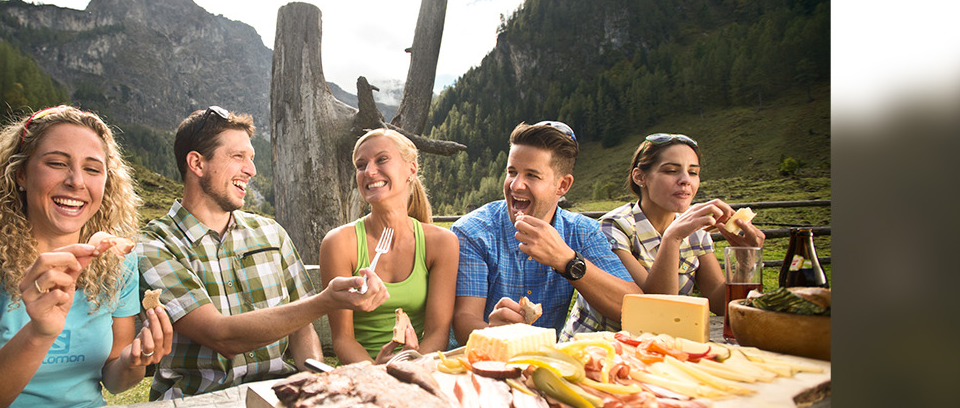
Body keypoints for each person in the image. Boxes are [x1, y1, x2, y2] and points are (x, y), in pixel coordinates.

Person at [0, 105, 174, 408]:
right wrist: (39, 332)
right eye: (56, 163)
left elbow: (114, 379)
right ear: (20, 174)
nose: (76, 181)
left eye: (92, 169)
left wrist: (133, 363)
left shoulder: (118, 260)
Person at [136, 106, 390, 400]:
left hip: (275, 395)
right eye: (238, 157)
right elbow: (220, 335)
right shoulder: (156, 244)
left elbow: (301, 328)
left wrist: (312, 384)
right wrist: (326, 301)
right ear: (197, 163)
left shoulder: (271, 233)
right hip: (197, 400)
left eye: (251, 158)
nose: (251, 170)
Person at [451, 121, 640, 343]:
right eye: (512, 172)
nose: (516, 185)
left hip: (544, 363)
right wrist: (493, 332)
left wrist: (567, 261)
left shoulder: (583, 232)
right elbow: (464, 321)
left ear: (563, 186)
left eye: (532, 175)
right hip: (475, 361)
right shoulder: (473, 231)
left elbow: (633, 308)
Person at [567, 133, 766, 334]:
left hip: (660, 346)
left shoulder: (695, 229)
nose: (685, 180)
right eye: (671, 171)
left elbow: (718, 303)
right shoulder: (613, 228)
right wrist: (672, 238)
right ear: (640, 177)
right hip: (601, 346)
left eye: (693, 172)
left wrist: (746, 259)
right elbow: (652, 311)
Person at [319, 128, 459, 363]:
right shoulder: (339, 243)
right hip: (362, 372)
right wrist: (377, 372)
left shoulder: (441, 243)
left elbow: (437, 332)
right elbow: (343, 339)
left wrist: (411, 367)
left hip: (419, 366)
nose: (369, 171)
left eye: (382, 159)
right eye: (361, 165)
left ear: (411, 169)